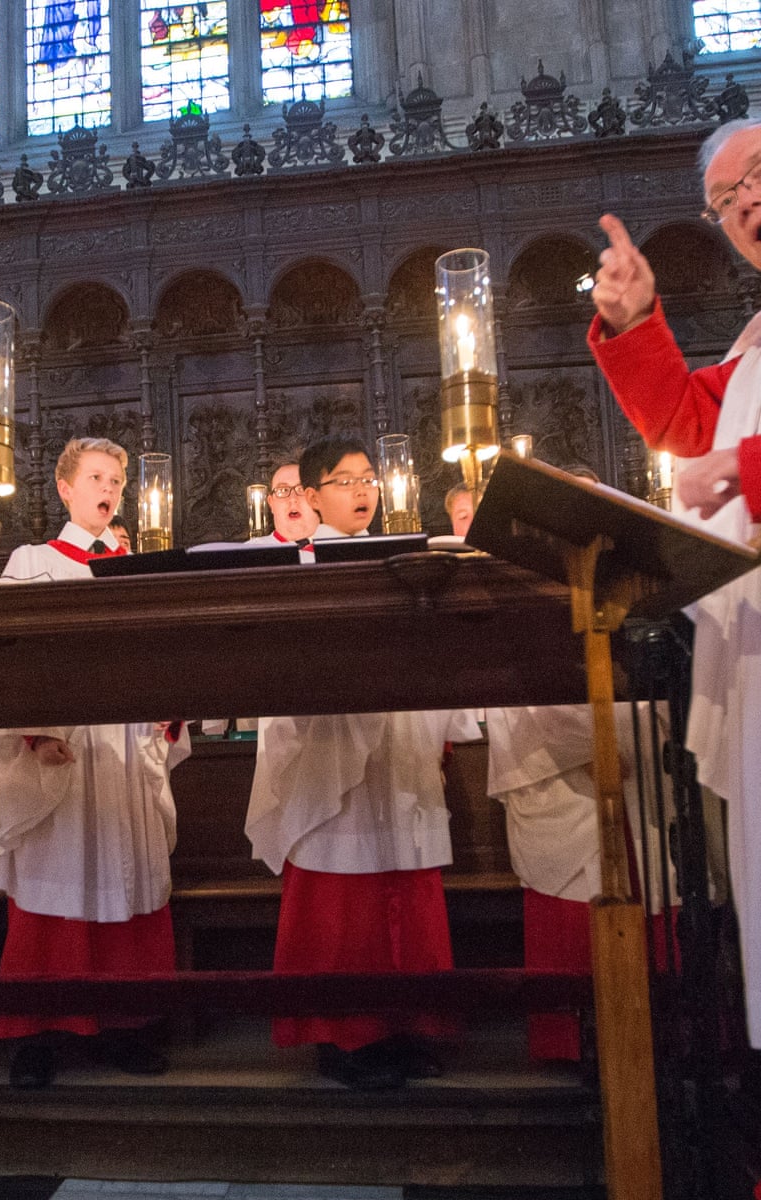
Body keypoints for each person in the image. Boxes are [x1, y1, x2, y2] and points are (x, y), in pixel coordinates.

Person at [587, 116, 761, 1048]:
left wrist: (748, 470)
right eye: (727, 198)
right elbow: (698, 430)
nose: (747, 203)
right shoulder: (756, 338)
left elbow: (727, 458)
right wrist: (632, 323)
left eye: (759, 177)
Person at [246, 436, 478, 1089]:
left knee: (403, 894)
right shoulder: (297, 566)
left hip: (398, 749)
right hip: (333, 750)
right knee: (344, 904)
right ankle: (342, 1038)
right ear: (312, 496)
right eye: (344, 480)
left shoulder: (417, 561)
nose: (362, 490)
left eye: (369, 478)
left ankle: (405, 1028)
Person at [0, 438, 191, 1089]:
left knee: (124, 880)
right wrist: (34, 733)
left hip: (126, 751)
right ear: (66, 488)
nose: (108, 489)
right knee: (55, 890)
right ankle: (39, 1032)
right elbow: (9, 653)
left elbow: (168, 653)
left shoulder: (141, 566)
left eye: (117, 481)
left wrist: (169, 713)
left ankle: (124, 1028)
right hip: (63, 756)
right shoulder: (34, 561)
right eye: (96, 477)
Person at [486, 704, 679, 1061]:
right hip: (566, 770)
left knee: (658, 871)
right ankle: (579, 1043)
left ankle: (669, 1034)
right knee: (579, 883)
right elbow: (525, 686)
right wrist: (588, 746)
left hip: (644, 746)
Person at [254, 461, 320, 546]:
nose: (292, 499)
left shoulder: (340, 549)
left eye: (302, 489)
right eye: (283, 490)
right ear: (271, 503)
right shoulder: (245, 554)